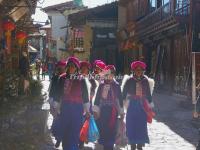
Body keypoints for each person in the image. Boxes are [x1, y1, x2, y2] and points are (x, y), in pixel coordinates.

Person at [55, 57, 90, 150]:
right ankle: (65, 146)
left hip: (77, 109)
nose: (71, 68)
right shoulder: (62, 78)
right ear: (67, 67)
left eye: (73, 66)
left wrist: (87, 110)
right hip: (65, 107)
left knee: (75, 131)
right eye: (69, 66)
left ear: (77, 68)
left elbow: (85, 96)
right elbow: (58, 94)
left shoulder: (81, 79)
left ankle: (73, 147)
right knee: (65, 129)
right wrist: (56, 106)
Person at [122, 61, 154, 150]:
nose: (139, 71)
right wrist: (121, 105)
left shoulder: (145, 81)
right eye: (137, 69)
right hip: (132, 105)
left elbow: (148, 94)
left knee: (141, 124)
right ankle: (132, 144)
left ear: (143, 71)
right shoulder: (129, 80)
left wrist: (150, 105)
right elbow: (124, 93)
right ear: (133, 71)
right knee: (131, 124)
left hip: (142, 106)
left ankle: (140, 145)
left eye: (141, 70)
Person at [93, 65, 124, 150]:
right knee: (103, 128)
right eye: (108, 73)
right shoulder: (101, 85)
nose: (109, 75)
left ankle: (109, 145)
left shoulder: (116, 85)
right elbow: (97, 98)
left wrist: (121, 112)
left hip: (113, 112)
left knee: (112, 129)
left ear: (114, 74)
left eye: (112, 73)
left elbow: (120, 100)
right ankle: (104, 143)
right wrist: (95, 110)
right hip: (103, 111)